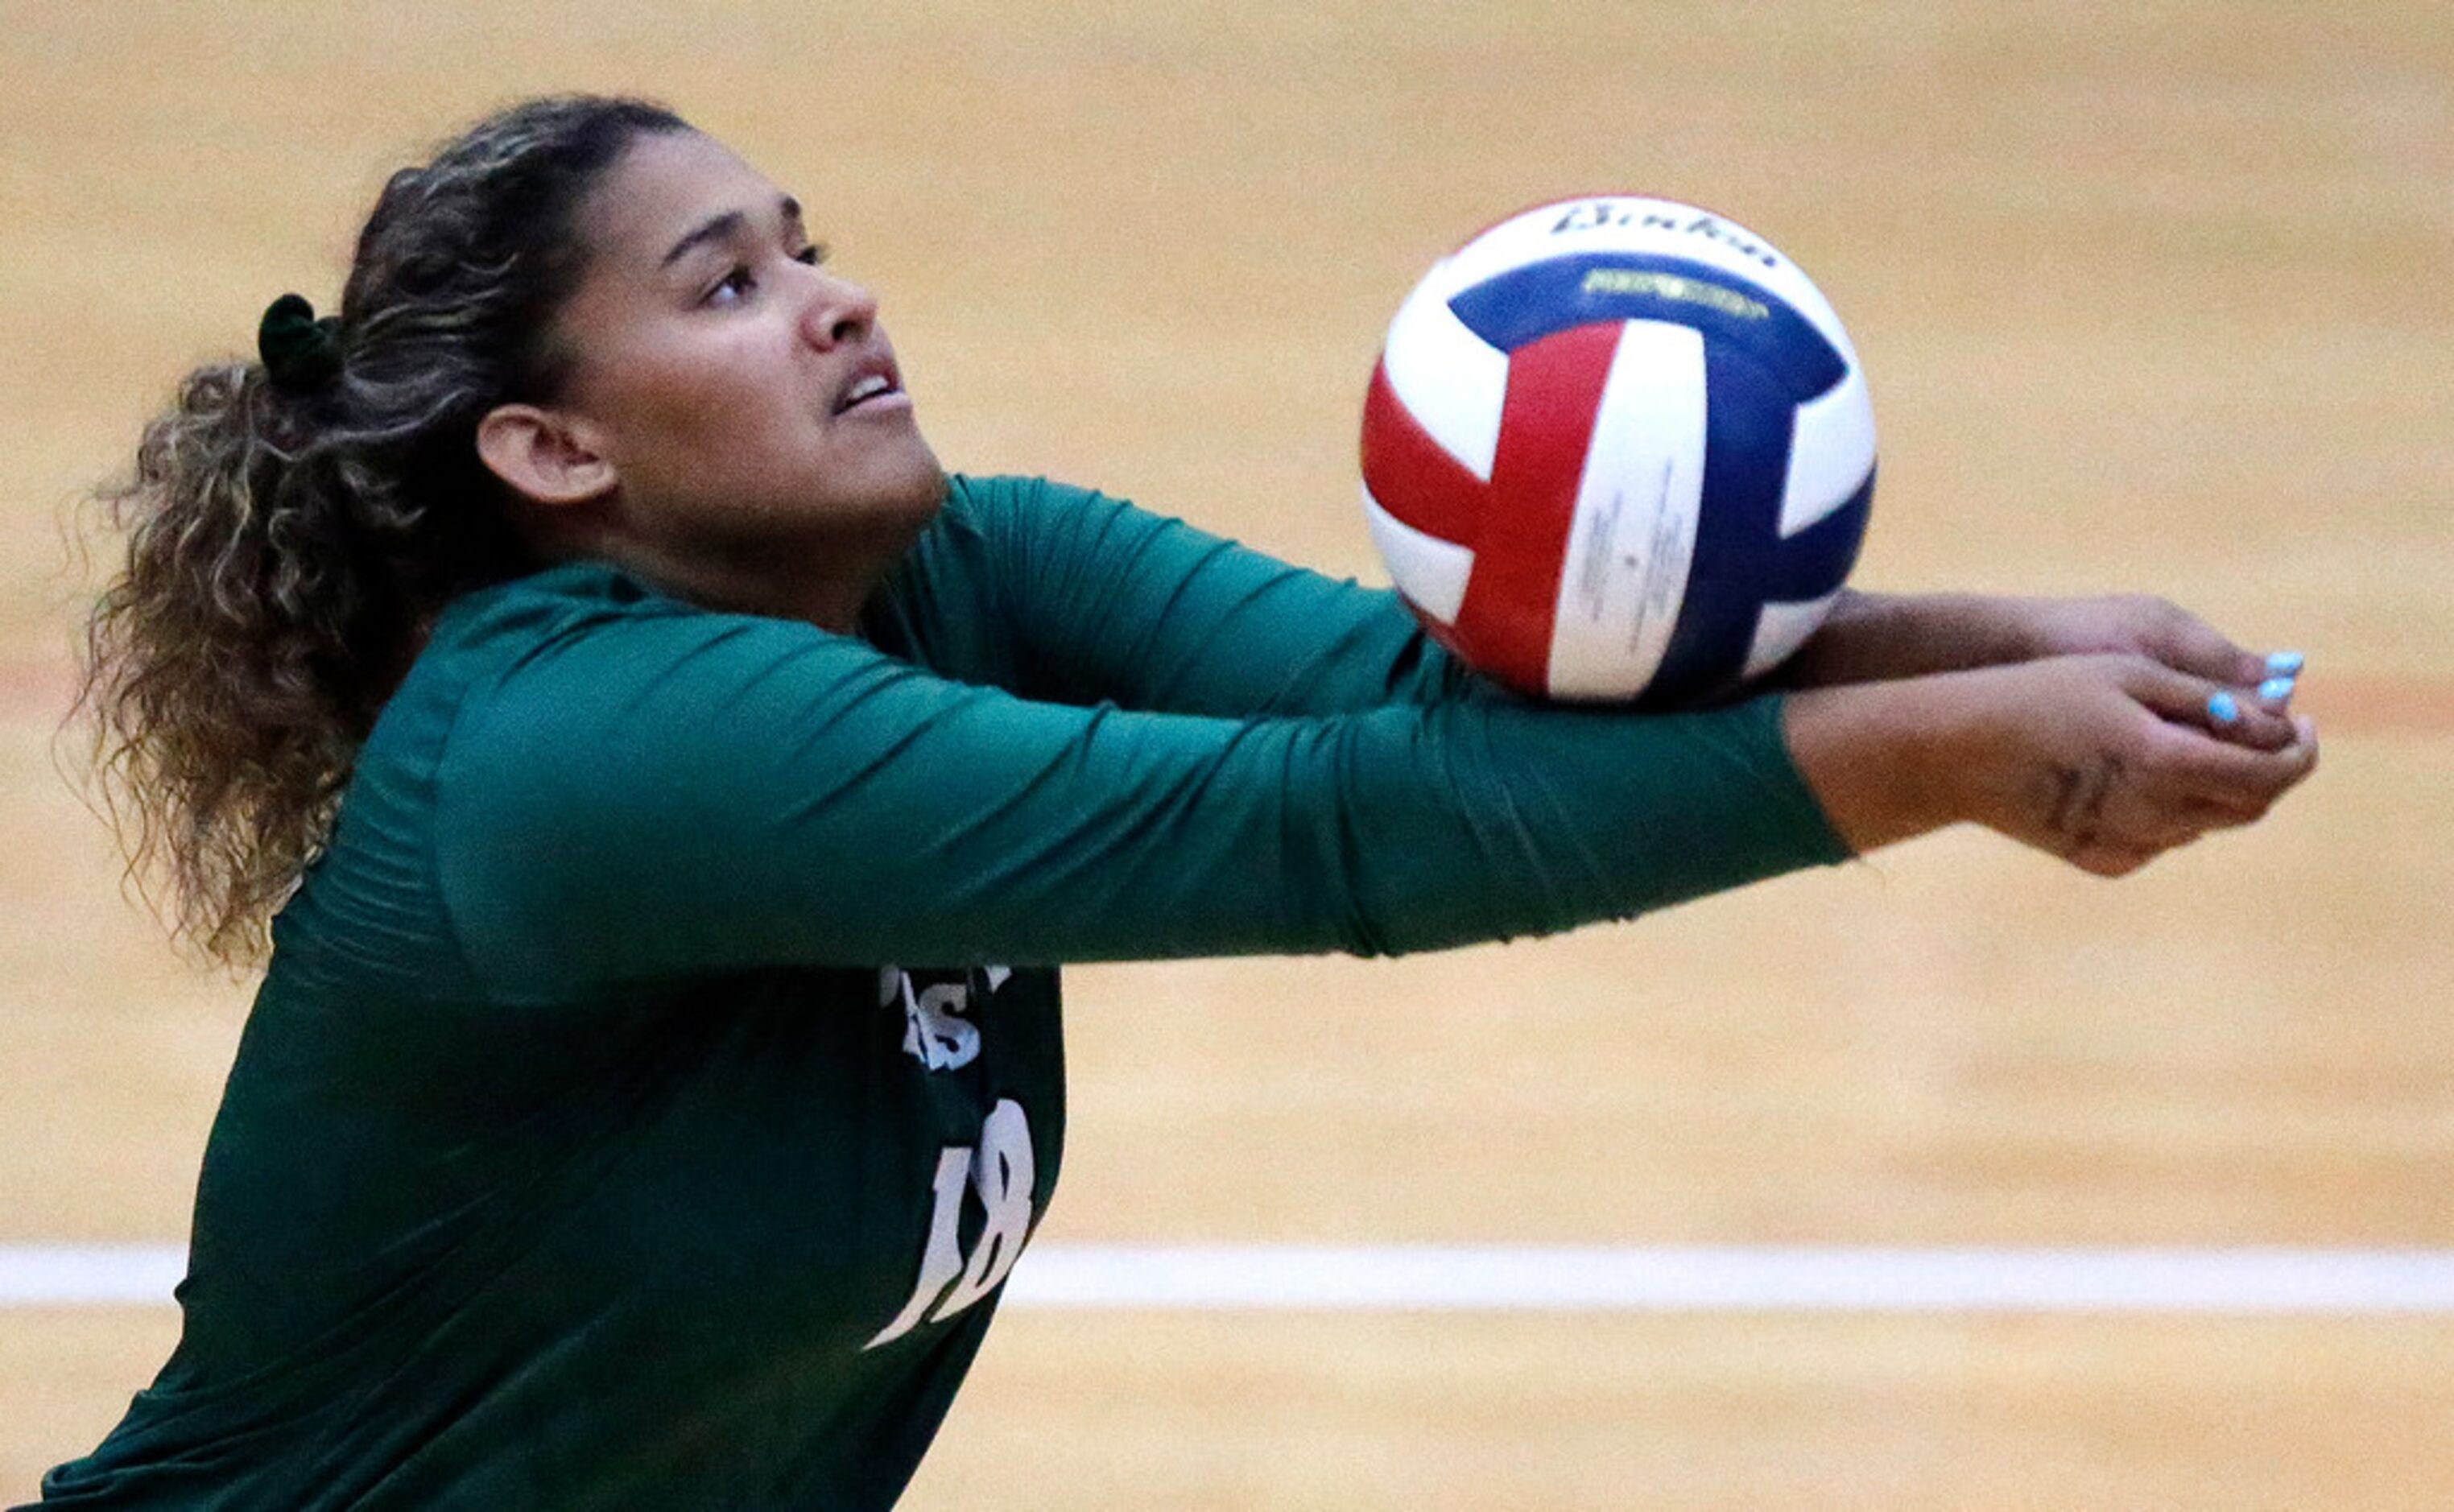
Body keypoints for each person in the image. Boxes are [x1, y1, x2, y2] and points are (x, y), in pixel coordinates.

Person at [31, 93, 2316, 1510]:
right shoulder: (590, 749)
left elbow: (1443, 700)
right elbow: (1343, 836)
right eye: (730, 284)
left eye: (807, 241)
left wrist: (2017, 644)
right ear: (554, 452)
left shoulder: (972, 565)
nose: (834, 301)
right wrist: (1961, 757)